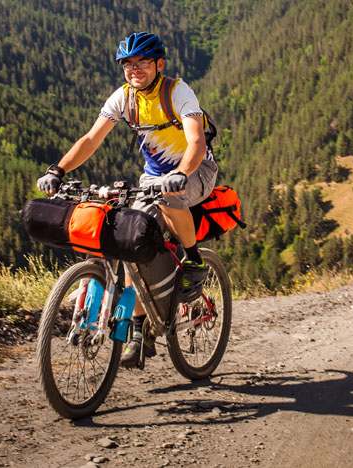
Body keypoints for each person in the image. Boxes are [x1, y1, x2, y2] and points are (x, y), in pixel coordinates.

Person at [37, 32, 218, 368]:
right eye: (128, 64)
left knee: (169, 198)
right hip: (153, 178)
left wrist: (180, 173)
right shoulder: (124, 98)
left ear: (159, 65)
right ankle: (139, 333)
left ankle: (194, 259)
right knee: (128, 238)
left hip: (196, 171)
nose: (135, 69)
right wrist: (57, 170)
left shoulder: (177, 92)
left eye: (143, 62)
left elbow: (196, 142)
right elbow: (92, 139)